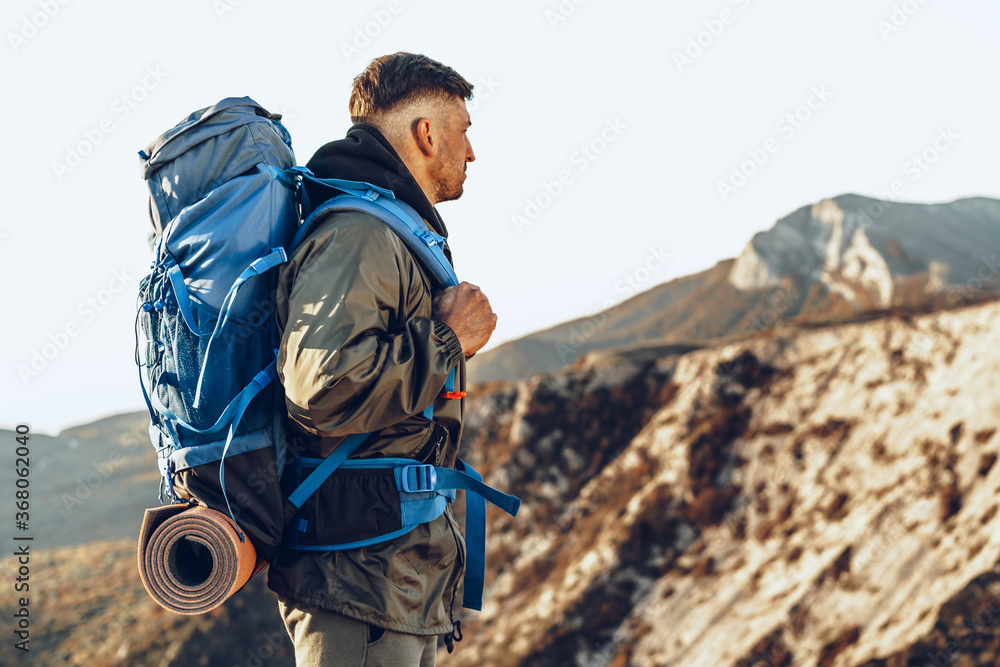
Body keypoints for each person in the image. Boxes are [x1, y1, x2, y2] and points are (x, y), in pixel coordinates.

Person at [268, 52, 497, 666]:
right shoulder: (358, 234)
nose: (471, 152)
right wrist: (447, 340)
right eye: (464, 131)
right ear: (426, 133)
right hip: (357, 586)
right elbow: (321, 388)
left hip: (394, 578)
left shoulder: (394, 231)